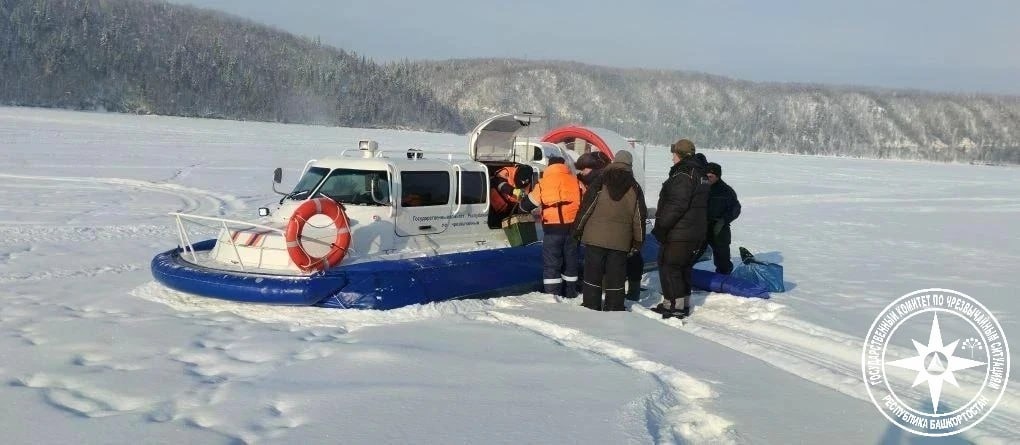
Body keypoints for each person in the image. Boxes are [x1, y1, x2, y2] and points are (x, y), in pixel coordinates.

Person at [573, 150, 644, 311]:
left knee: (593, 272)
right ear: (630, 165)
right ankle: (614, 306)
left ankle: (591, 304)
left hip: (595, 236)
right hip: (621, 240)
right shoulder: (634, 187)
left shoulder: (601, 180)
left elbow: (587, 207)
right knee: (616, 275)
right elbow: (639, 216)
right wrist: (638, 241)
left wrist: (577, 229)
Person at [651, 139, 709, 318]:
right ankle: (680, 304)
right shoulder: (700, 174)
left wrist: (661, 226)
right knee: (682, 268)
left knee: (671, 267)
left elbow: (676, 205)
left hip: (680, 231)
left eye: (674, 154)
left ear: (680, 155)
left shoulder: (684, 174)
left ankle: (675, 308)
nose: (672, 158)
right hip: (694, 230)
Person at [520, 157, 583, 298]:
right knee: (571, 262)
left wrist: (521, 205)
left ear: (549, 166)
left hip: (552, 230)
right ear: (563, 165)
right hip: (573, 230)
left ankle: (552, 295)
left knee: (552, 264)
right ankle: (570, 292)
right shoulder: (576, 182)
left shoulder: (543, 183)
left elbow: (528, 204)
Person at [703, 162, 741, 274]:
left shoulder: (726, 191)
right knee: (692, 251)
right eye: (706, 176)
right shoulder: (700, 188)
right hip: (701, 225)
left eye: (711, 176)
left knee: (722, 255)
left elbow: (736, 209)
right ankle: (685, 273)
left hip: (719, 227)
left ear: (718, 176)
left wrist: (723, 220)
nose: (708, 178)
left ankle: (724, 275)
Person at [488, 164, 534, 228]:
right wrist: (514, 191)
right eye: (521, 180)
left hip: (513, 208)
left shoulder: (528, 181)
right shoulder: (507, 172)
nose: (523, 183)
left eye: (525, 181)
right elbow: (500, 184)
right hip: (496, 206)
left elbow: (526, 195)